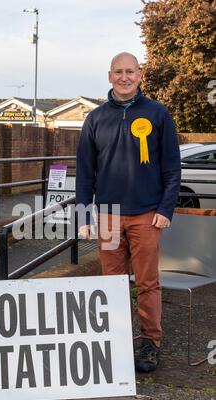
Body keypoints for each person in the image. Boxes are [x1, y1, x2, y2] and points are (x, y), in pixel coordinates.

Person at [76, 52, 181, 372]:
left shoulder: (158, 113)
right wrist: (83, 216)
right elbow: (84, 172)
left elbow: (172, 168)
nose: (124, 77)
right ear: (110, 76)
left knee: (147, 282)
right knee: (111, 282)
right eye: (118, 72)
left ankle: (150, 343)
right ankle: (116, 340)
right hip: (107, 215)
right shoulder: (94, 119)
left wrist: (166, 208)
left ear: (140, 75)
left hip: (147, 216)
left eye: (130, 71)